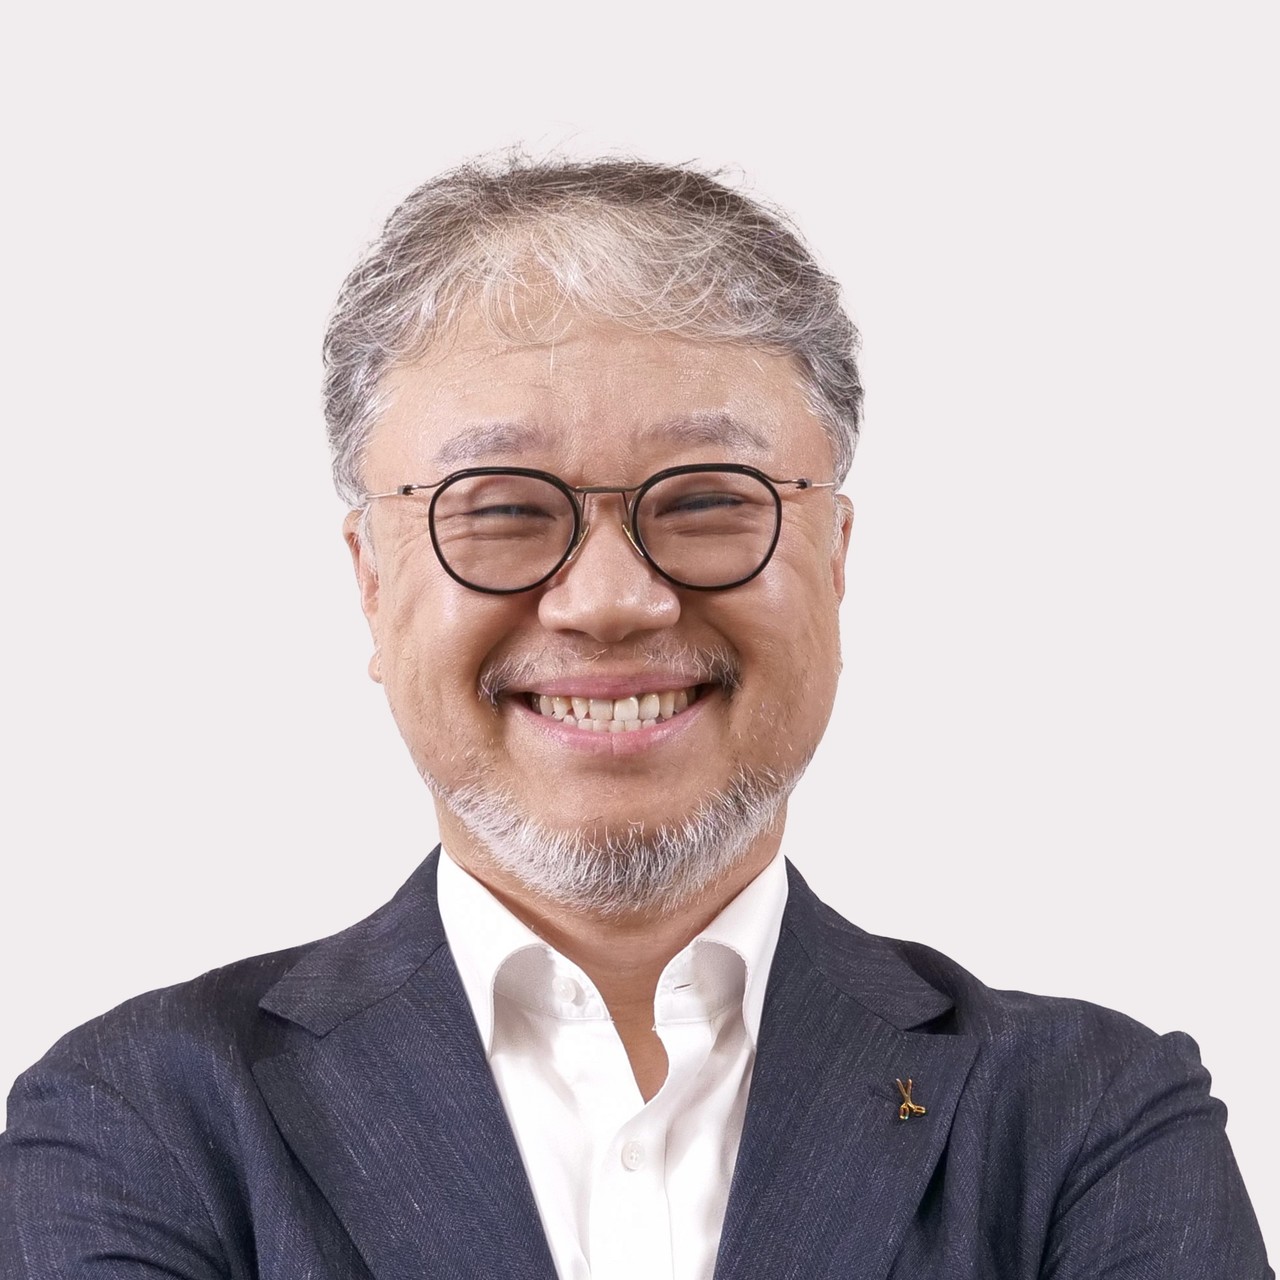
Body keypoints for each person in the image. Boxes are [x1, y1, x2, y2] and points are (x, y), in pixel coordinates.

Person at [0, 155, 1270, 1279]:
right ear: (372, 582)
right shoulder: (143, 1116)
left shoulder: (1086, 1118)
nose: (609, 599)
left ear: (833, 559)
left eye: (706, 500)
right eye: (502, 508)